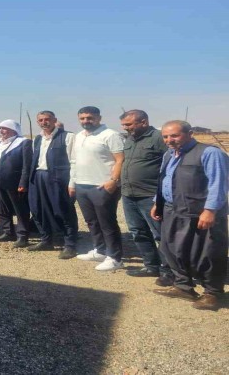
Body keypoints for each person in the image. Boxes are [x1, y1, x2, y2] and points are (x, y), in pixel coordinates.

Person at [151, 120, 229, 311]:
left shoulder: (210, 153)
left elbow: (218, 184)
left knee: (206, 253)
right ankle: (183, 286)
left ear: (190, 133)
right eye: (165, 136)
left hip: (200, 212)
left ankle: (213, 293)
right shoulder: (169, 154)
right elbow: (166, 179)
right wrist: (157, 202)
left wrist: (210, 210)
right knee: (172, 249)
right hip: (173, 209)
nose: (169, 140)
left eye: (174, 135)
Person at [119, 110, 172, 282]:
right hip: (129, 194)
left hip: (150, 196)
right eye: (123, 125)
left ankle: (169, 271)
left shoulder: (158, 138)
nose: (125, 128)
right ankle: (151, 266)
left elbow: (171, 164)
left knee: (160, 234)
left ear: (143, 122)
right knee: (138, 231)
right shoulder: (130, 139)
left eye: (129, 124)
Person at [71, 106, 125, 271]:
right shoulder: (79, 136)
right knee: (92, 221)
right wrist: (72, 183)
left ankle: (115, 257)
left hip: (102, 186)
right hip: (82, 184)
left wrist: (113, 180)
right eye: (82, 118)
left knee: (107, 222)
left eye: (90, 118)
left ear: (99, 118)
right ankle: (100, 250)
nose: (86, 121)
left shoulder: (110, 135)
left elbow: (120, 159)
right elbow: (74, 161)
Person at [27, 111, 79, 259]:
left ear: (54, 120)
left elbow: (74, 161)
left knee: (62, 210)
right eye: (41, 120)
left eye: (47, 119)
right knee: (38, 210)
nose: (44, 122)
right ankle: (46, 240)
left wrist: (72, 183)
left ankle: (70, 245)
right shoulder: (37, 139)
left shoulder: (68, 137)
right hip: (38, 177)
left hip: (58, 179)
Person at [0, 120, 33, 247]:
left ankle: (22, 235)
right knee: (0, 205)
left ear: (13, 130)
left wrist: (23, 182)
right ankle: (8, 231)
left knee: (19, 208)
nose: (1, 131)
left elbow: (27, 165)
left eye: (4, 128)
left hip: (13, 179)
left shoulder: (23, 142)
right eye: (0, 128)